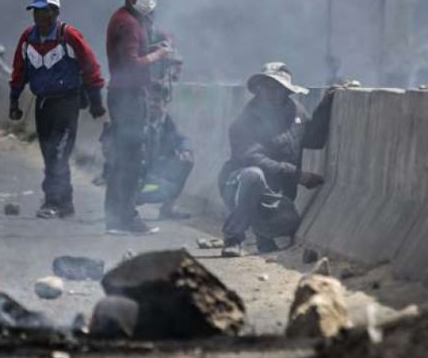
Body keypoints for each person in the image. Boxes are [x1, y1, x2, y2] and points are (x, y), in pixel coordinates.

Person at [218, 62, 335, 257]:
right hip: (237, 184)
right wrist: (297, 176)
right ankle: (233, 238)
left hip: (276, 192)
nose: (270, 91)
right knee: (253, 176)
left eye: (276, 87)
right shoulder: (246, 120)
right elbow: (253, 158)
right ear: (258, 88)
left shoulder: (295, 111)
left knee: (288, 223)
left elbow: (314, 140)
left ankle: (264, 236)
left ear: (285, 91)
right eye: (266, 86)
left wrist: (326, 104)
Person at [9, 0, 106, 219]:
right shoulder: (27, 38)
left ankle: (53, 201)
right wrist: (14, 100)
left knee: (59, 153)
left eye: (45, 11)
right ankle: (65, 203)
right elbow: (19, 70)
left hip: (67, 104)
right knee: (49, 153)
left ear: (56, 12)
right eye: (36, 12)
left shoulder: (69, 36)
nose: (40, 17)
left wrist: (95, 101)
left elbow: (90, 66)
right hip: (43, 105)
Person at [104, 0, 181, 233]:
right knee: (130, 159)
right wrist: (158, 55)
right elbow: (132, 63)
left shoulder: (129, 19)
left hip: (126, 95)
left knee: (124, 157)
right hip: (128, 97)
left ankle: (117, 217)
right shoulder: (129, 23)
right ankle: (125, 218)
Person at [136, 82, 193, 219]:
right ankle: (125, 208)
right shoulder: (136, 120)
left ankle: (168, 208)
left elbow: (181, 138)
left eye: (157, 101)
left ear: (165, 102)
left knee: (187, 161)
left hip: (156, 171)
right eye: (149, 100)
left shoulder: (167, 122)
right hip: (136, 172)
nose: (152, 104)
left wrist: (185, 150)